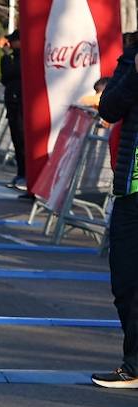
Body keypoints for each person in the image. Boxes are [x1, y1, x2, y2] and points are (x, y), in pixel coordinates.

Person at [93, 42, 138, 388]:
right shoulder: (131, 55)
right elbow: (108, 107)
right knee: (124, 281)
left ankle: (133, 363)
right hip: (131, 191)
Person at [1, 30, 26, 191]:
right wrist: (5, 57)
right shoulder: (11, 58)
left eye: (13, 41)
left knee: (23, 140)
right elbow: (4, 78)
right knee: (17, 141)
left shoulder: (24, 59)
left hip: (21, 105)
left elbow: (11, 74)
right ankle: (20, 173)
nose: (10, 44)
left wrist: (6, 58)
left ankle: (26, 174)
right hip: (12, 104)